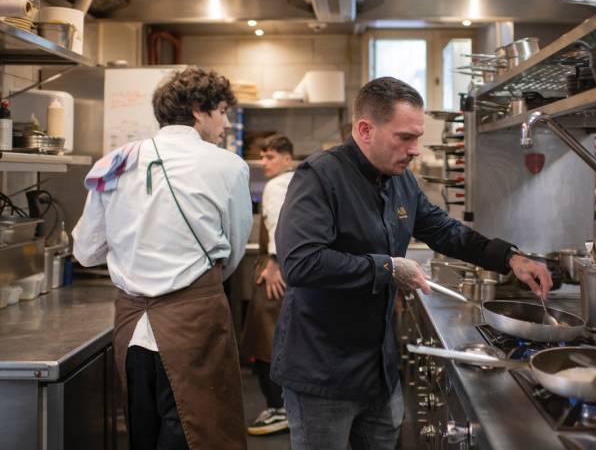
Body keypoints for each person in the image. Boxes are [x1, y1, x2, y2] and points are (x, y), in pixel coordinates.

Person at [271, 76, 552, 450]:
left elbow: (445, 230)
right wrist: (388, 268)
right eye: (405, 137)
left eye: (418, 137)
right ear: (365, 129)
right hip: (323, 372)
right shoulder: (321, 176)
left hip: (379, 370)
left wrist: (510, 258)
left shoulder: (401, 181)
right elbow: (301, 263)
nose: (415, 149)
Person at [72, 66, 252, 450]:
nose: (225, 123)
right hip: (197, 322)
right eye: (221, 111)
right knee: (203, 432)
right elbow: (234, 251)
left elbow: (85, 252)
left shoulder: (114, 163)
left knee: (144, 431)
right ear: (197, 111)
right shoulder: (228, 165)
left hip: (132, 328)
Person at [237, 135, 294, 436]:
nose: (264, 162)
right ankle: (284, 405)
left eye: (271, 156)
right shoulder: (296, 181)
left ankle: (279, 408)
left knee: (265, 344)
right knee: (275, 342)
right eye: (263, 156)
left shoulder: (277, 185)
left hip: (276, 272)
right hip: (287, 270)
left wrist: (273, 263)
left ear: (288, 158)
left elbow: (278, 225)